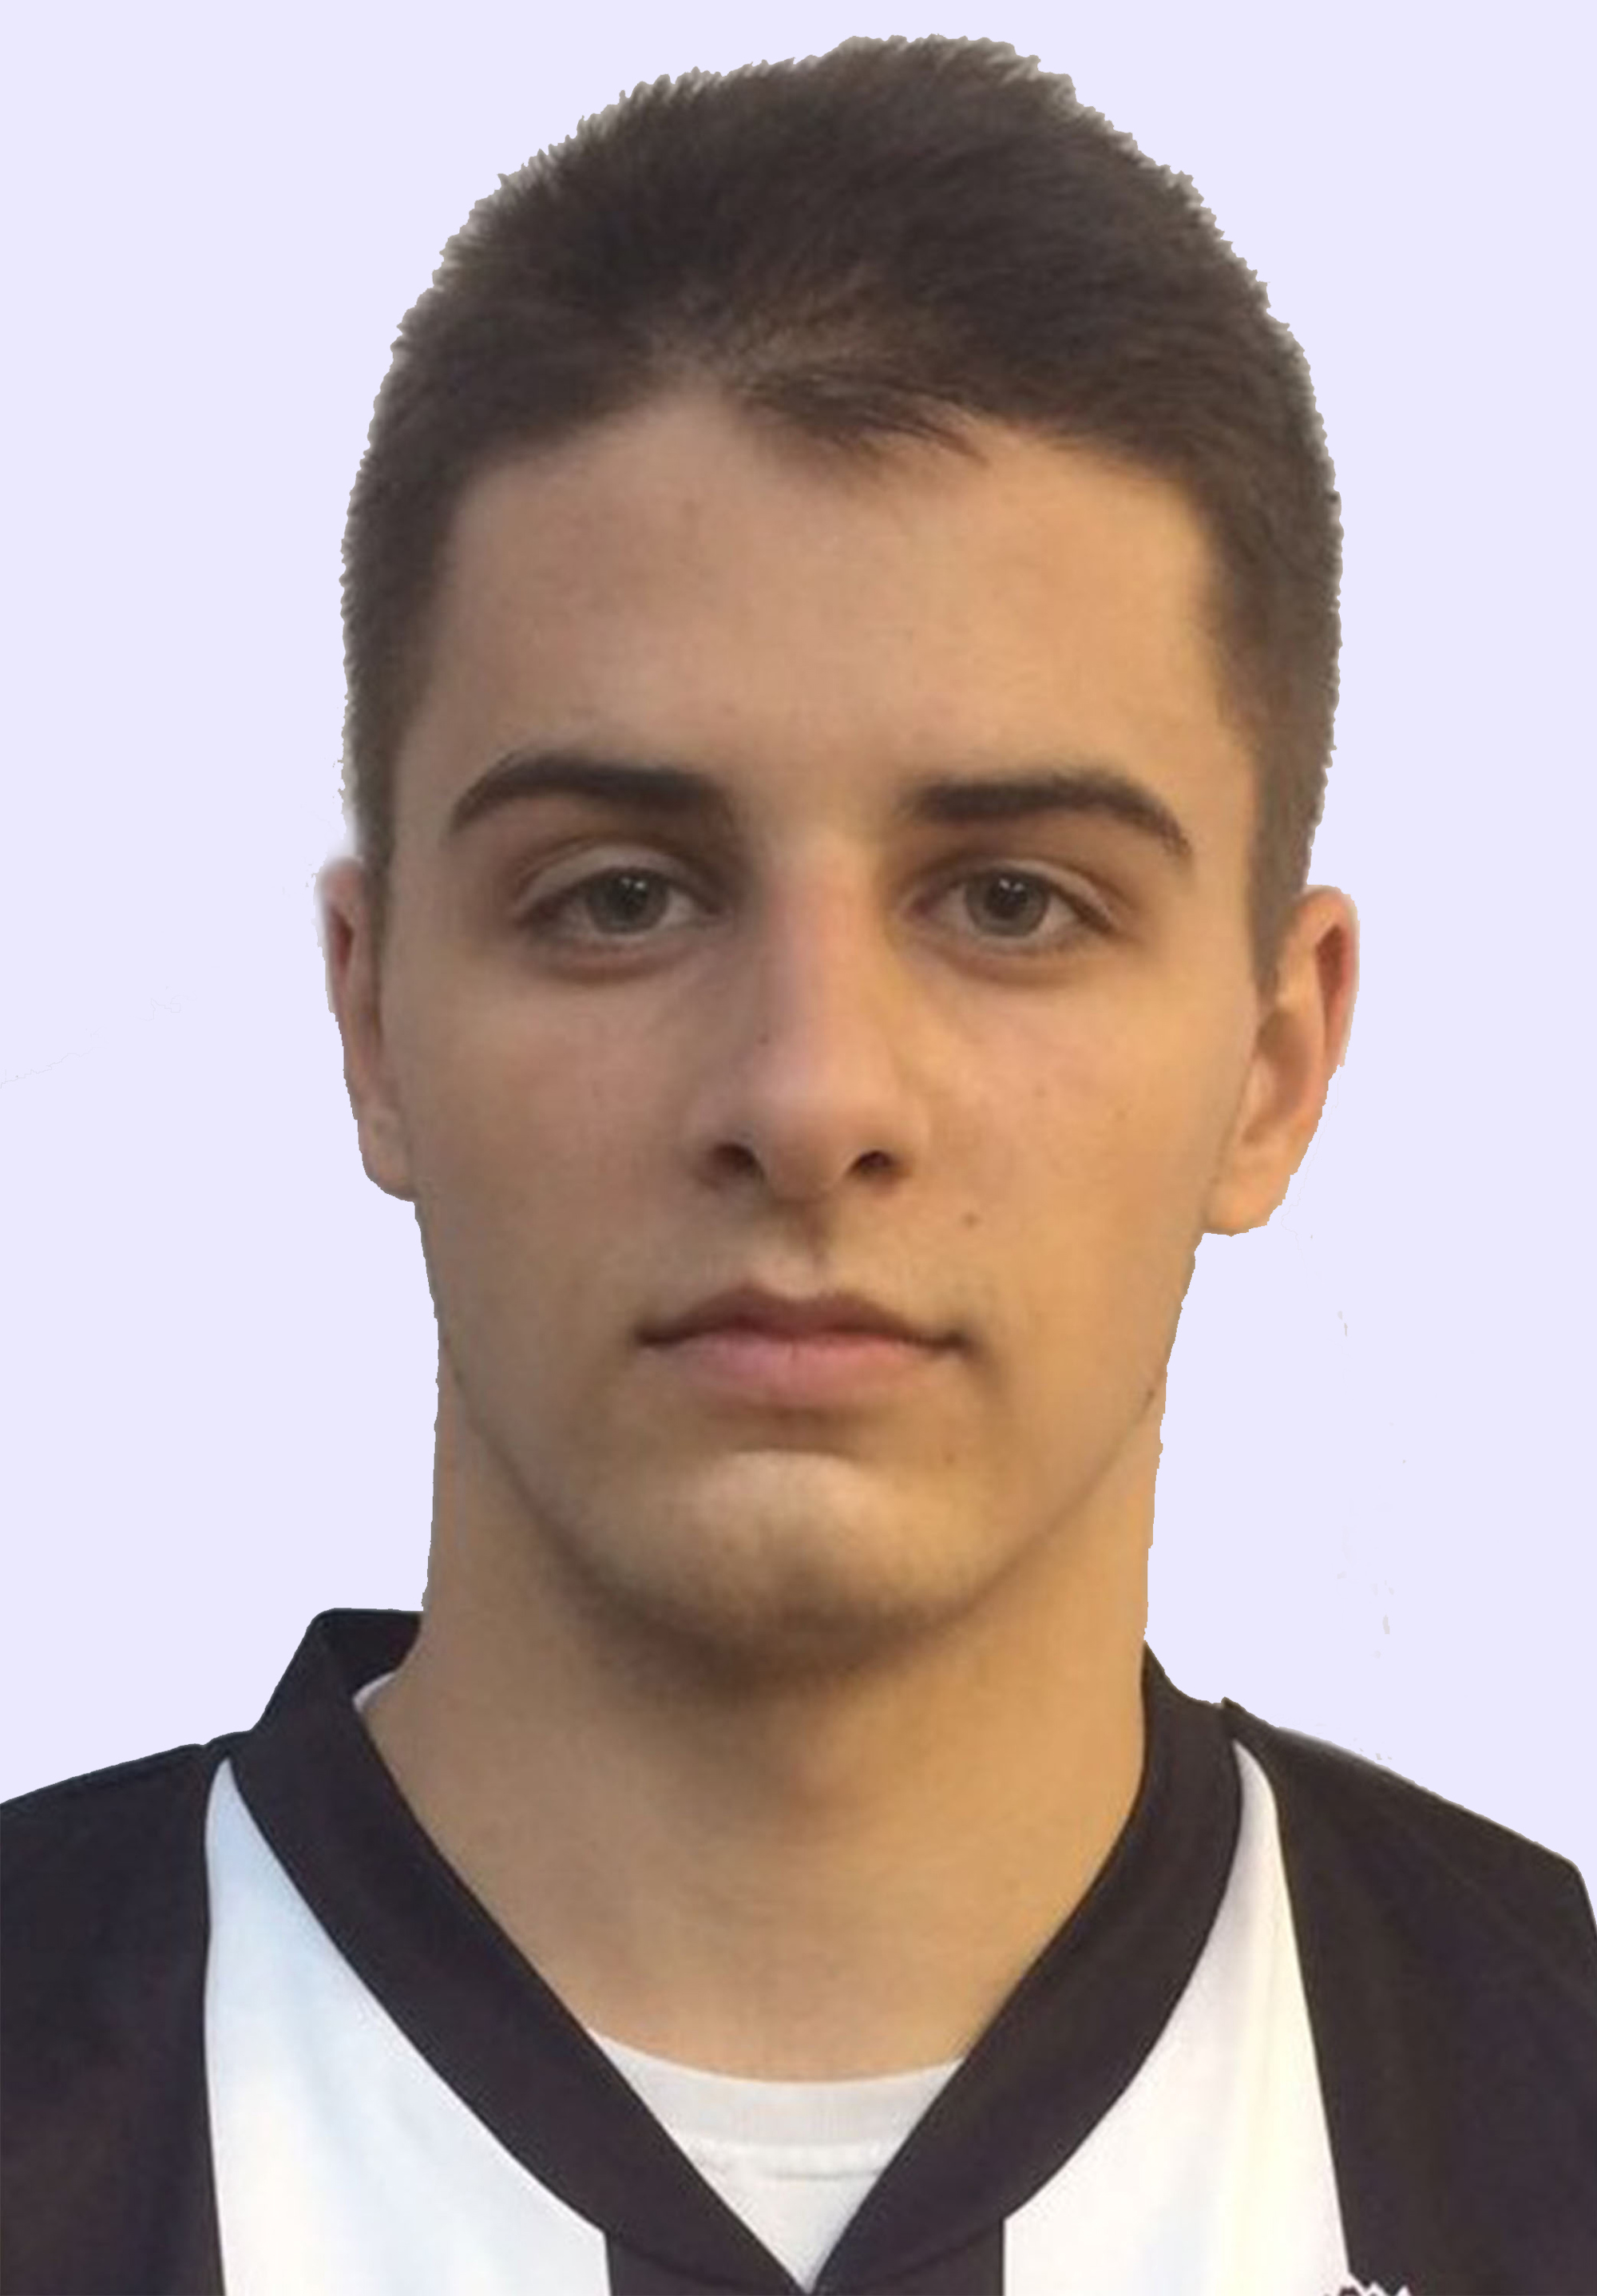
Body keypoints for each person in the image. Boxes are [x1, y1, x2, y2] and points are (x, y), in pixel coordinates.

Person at [3, 33, 1594, 2296]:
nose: (813, 1088)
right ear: (371, 1018)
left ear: (1277, 1057)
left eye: (1013, 900)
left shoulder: (1544, 2110)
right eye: (622, 895)